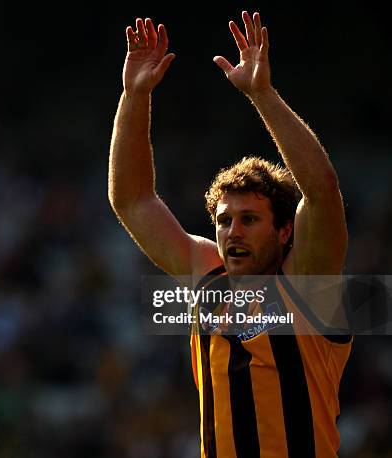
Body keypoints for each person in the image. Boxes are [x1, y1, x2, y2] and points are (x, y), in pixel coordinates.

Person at [108, 11, 352, 458]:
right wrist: (134, 94)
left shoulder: (308, 284)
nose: (232, 231)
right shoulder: (209, 276)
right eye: (224, 220)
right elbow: (133, 201)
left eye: (249, 219)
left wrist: (263, 95)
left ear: (284, 231)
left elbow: (322, 191)